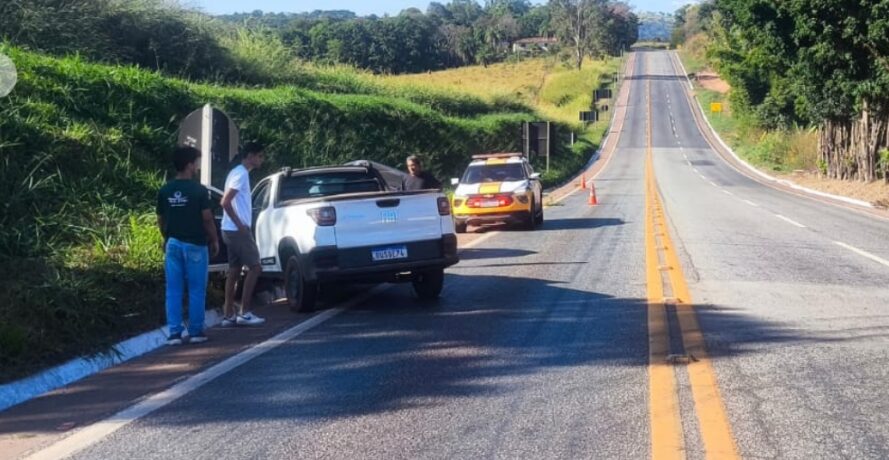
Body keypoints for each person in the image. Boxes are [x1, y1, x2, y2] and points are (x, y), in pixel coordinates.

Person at [156, 146, 220, 345]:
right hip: (195, 244)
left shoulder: (165, 190)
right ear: (189, 164)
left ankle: (174, 333)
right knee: (196, 289)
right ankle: (195, 331)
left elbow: (160, 218)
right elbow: (207, 218)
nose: (197, 167)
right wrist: (215, 239)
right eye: (196, 163)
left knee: (173, 290)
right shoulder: (198, 190)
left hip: (173, 243)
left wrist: (166, 236)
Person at [220, 141, 266, 326]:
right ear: (250, 156)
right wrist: (240, 224)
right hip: (237, 230)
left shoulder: (236, 172)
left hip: (228, 229)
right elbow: (225, 202)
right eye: (260, 156)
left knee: (234, 271)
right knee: (255, 267)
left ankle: (228, 314)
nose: (262, 159)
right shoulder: (241, 175)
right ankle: (245, 312)